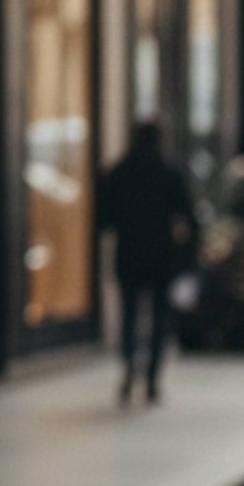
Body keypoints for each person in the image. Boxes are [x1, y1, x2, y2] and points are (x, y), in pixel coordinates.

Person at [96, 121, 194, 405]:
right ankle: (151, 378)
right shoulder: (169, 172)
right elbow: (188, 217)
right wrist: (186, 256)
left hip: (128, 254)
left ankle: (128, 364)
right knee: (159, 317)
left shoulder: (119, 172)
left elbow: (104, 220)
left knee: (129, 315)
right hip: (162, 256)